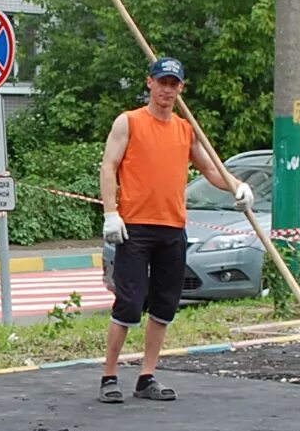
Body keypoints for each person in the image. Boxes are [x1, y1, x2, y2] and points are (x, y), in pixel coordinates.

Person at [97, 55, 250, 405]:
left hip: (172, 228)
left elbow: (212, 171)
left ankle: (147, 376)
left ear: (180, 89)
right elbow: (109, 166)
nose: (167, 89)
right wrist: (111, 213)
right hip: (134, 227)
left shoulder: (185, 130)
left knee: (165, 305)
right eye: (161, 82)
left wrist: (238, 186)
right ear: (150, 83)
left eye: (173, 84)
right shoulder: (129, 122)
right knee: (130, 303)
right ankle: (109, 376)